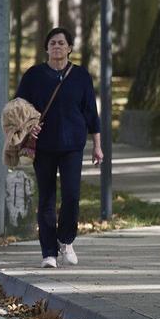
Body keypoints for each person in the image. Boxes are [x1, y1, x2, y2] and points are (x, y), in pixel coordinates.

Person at [12, 26, 103, 270]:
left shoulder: (81, 76)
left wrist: (97, 146)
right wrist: (28, 127)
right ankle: (49, 253)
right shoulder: (34, 75)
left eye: (62, 43)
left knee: (72, 196)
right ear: (46, 48)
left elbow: (91, 114)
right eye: (52, 43)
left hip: (73, 145)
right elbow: (19, 106)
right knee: (47, 200)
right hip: (44, 146)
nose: (57, 47)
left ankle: (66, 240)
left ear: (70, 48)